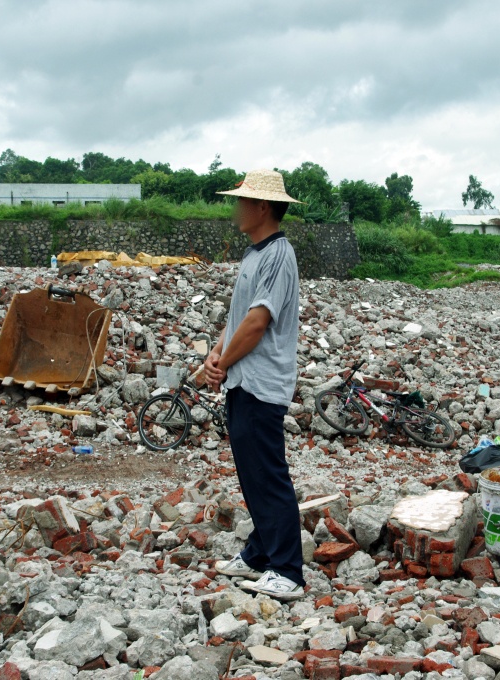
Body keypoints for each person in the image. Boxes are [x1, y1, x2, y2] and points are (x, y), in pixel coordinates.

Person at [203, 169, 305, 601]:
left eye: (242, 201)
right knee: (251, 471)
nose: (235, 209)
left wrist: (222, 364)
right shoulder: (253, 254)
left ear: (262, 207)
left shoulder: (278, 254)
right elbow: (239, 317)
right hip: (243, 378)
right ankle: (260, 553)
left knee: (267, 473)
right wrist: (216, 352)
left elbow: (259, 321)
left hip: (261, 382)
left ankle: (287, 570)